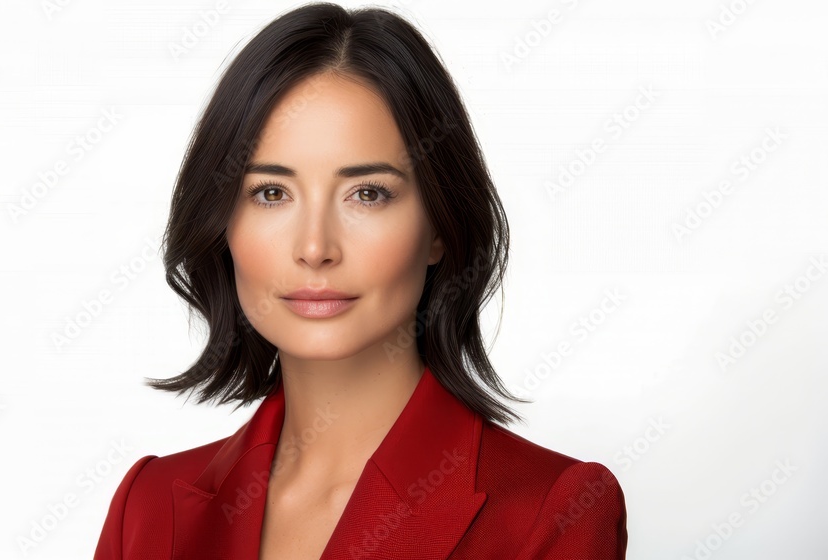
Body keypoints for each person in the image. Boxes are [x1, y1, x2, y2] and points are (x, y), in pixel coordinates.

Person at [93, 3, 627, 559]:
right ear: (222, 223)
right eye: (271, 193)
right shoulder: (147, 507)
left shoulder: (553, 511)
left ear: (440, 226)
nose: (315, 248)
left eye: (367, 193)